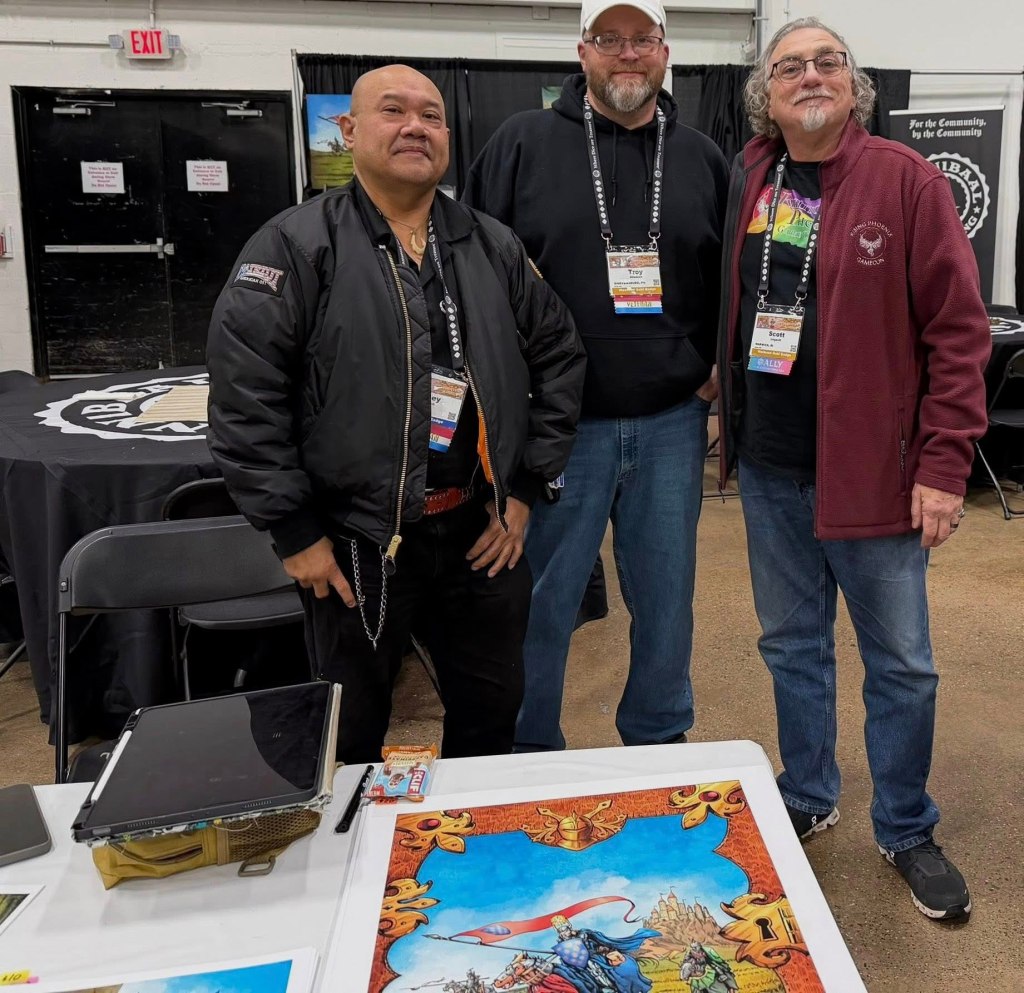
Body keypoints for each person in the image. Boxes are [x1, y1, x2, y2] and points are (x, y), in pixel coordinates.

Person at [207, 65, 585, 764]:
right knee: (348, 735)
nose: (416, 126)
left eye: (432, 115)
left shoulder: (492, 246)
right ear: (348, 131)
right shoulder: (296, 246)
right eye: (393, 111)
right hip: (354, 544)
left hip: (480, 533)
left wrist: (528, 489)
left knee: (490, 718)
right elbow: (243, 396)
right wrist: (293, 529)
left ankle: (473, 857)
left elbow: (561, 356)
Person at [717, 18, 991, 920]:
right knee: (791, 649)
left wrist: (946, 466)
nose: (808, 76)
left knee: (902, 664)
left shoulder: (904, 181)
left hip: (877, 476)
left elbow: (957, 332)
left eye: (825, 62)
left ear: (854, 83)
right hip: (770, 469)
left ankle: (907, 825)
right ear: (767, 91)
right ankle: (809, 792)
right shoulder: (756, 174)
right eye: (788, 65)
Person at [464, 0, 728, 752]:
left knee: (665, 602)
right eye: (610, 40)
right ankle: (528, 753)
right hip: (557, 430)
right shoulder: (520, 145)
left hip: (672, 422)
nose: (627, 54)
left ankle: (656, 739)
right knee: (540, 603)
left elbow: (725, 280)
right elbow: (477, 274)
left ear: (666, 52)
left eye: (642, 39)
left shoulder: (703, 157)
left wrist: (711, 375)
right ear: (581, 51)